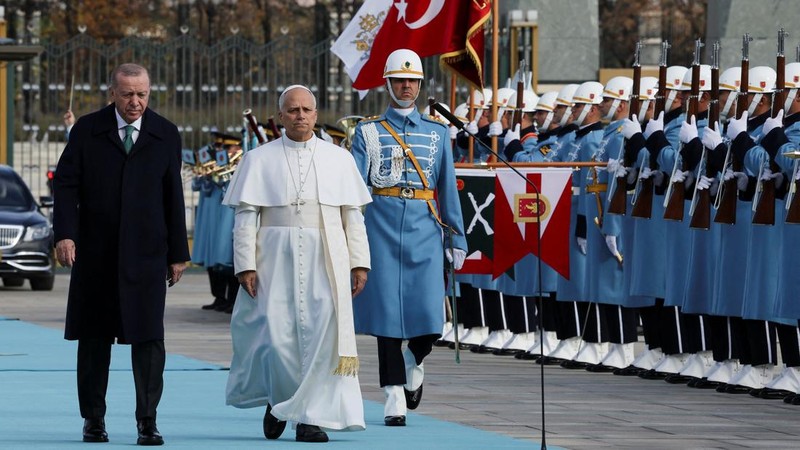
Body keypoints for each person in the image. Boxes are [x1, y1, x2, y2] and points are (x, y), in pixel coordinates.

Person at [222, 84, 371, 443]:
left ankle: (310, 417)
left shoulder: (339, 159)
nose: (300, 115)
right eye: (292, 110)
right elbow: (245, 217)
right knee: (276, 337)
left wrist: (359, 263)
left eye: (306, 109)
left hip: (327, 257)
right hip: (273, 258)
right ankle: (278, 402)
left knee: (322, 337)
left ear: (316, 115)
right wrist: (245, 264)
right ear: (279, 118)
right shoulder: (258, 159)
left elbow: (353, 216)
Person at [53, 63, 189, 446]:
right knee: (94, 339)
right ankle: (93, 420)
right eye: (128, 94)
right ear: (112, 92)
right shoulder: (87, 130)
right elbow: (66, 184)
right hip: (94, 254)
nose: (135, 102)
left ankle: (148, 421)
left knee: (148, 340)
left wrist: (178, 253)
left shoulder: (165, 134)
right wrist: (65, 234)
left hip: (147, 255)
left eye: (142, 94)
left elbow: (172, 197)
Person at [350, 48, 467, 427]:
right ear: (387, 83)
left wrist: (458, 239)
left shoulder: (437, 132)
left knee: (429, 316)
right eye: (399, 80)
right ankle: (392, 393)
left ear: (420, 84)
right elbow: (354, 188)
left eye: (412, 80)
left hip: (425, 230)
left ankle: (415, 358)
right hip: (380, 228)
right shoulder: (367, 131)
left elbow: (447, 188)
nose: (406, 86)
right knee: (386, 315)